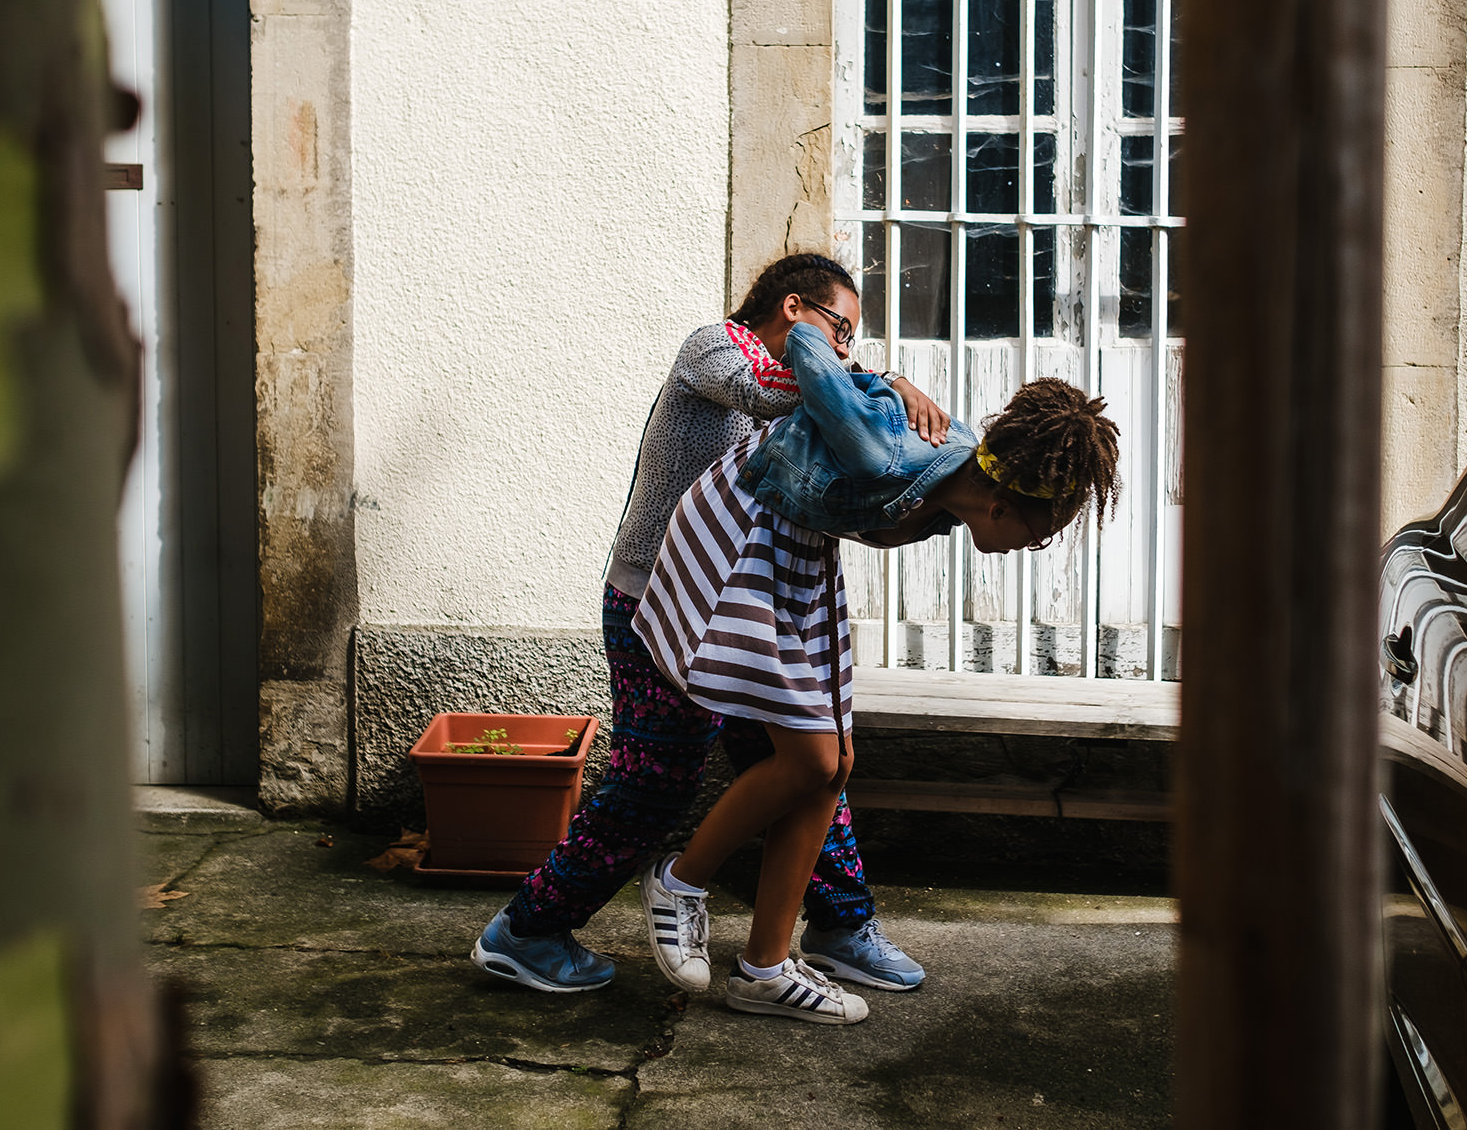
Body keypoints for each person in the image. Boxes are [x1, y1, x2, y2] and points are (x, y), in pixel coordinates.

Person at [472, 254, 942, 996]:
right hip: (657, 603)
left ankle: (842, 925)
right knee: (655, 782)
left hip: (736, 606)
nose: (846, 350)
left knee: (808, 762)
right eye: (840, 329)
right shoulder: (713, 347)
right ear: (792, 307)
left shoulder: (814, 392)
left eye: (854, 340)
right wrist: (884, 383)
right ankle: (525, 931)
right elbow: (763, 391)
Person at [633, 321, 1121, 1023]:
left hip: (799, 555)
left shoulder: (962, 467)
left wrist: (885, 384)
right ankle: (679, 881)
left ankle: (764, 968)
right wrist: (883, 375)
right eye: (1038, 532)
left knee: (834, 764)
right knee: (808, 757)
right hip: (746, 527)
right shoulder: (885, 450)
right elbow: (802, 339)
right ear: (1003, 506)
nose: (1033, 547)